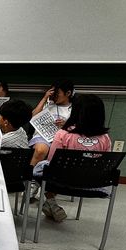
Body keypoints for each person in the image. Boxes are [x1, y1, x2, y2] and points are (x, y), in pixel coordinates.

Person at [35, 94, 112, 222]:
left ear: (75, 112)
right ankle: (50, 205)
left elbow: (52, 161)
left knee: (42, 168)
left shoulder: (63, 134)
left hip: (62, 182)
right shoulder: (105, 138)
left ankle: (51, 202)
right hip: (92, 184)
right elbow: (105, 164)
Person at [29, 80, 74, 165]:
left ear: (68, 93)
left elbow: (78, 127)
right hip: (43, 135)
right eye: (53, 93)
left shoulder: (73, 108)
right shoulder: (48, 104)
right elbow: (33, 117)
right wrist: (45, 98)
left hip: (62, 137)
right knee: (40, 150)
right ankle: (30, 175)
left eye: (57, 93)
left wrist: (66, 125)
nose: (54, 96)